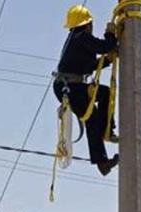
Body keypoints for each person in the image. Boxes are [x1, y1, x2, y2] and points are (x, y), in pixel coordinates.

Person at [53, 5, 119, 176]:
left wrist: (107, 61)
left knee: (104, 94)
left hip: (70, 86)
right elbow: (105, 46)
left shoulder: (75, 39)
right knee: (92, 118)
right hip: (70, 88)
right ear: (88, 23)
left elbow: (87, 66)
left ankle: (107, 130)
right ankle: (102, 161)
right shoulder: (82, 37)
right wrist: (110, 34)